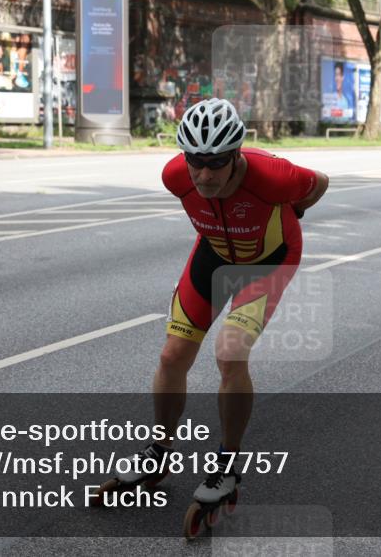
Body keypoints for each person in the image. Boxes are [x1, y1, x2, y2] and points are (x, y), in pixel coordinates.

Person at [109, 98, 328, 508]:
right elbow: (194, 181)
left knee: (229, 352)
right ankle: (158, 452)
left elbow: (321, 182)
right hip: (213, 253)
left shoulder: (273, 176)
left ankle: (228, 463)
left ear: (236, 155)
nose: (205, 174)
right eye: (196, 161)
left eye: (217, 163)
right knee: (172, 354)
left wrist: (291, 210)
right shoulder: (174, 176)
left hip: (268, 259)